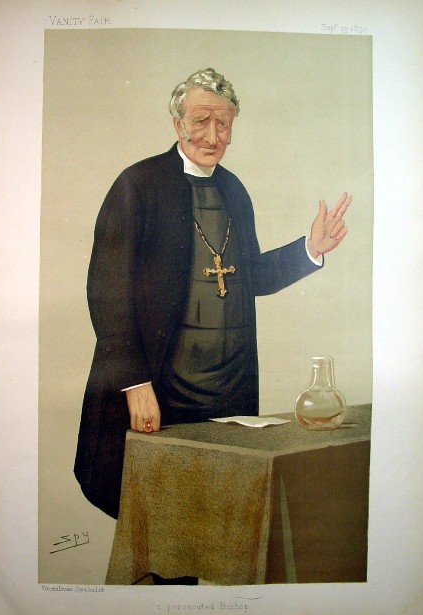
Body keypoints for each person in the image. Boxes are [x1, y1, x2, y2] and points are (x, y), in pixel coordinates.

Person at [74, 68, 351, 521]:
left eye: (223, 123)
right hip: (161, 394)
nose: (212, 135)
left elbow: (252, 276)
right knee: (159, 526)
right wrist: (135, 385)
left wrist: (310, 249)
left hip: (227, 397)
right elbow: (106, 292)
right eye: (201, 121)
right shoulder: (137, 186)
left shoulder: (234, 191)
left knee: (217, 522)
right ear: (177, 123)